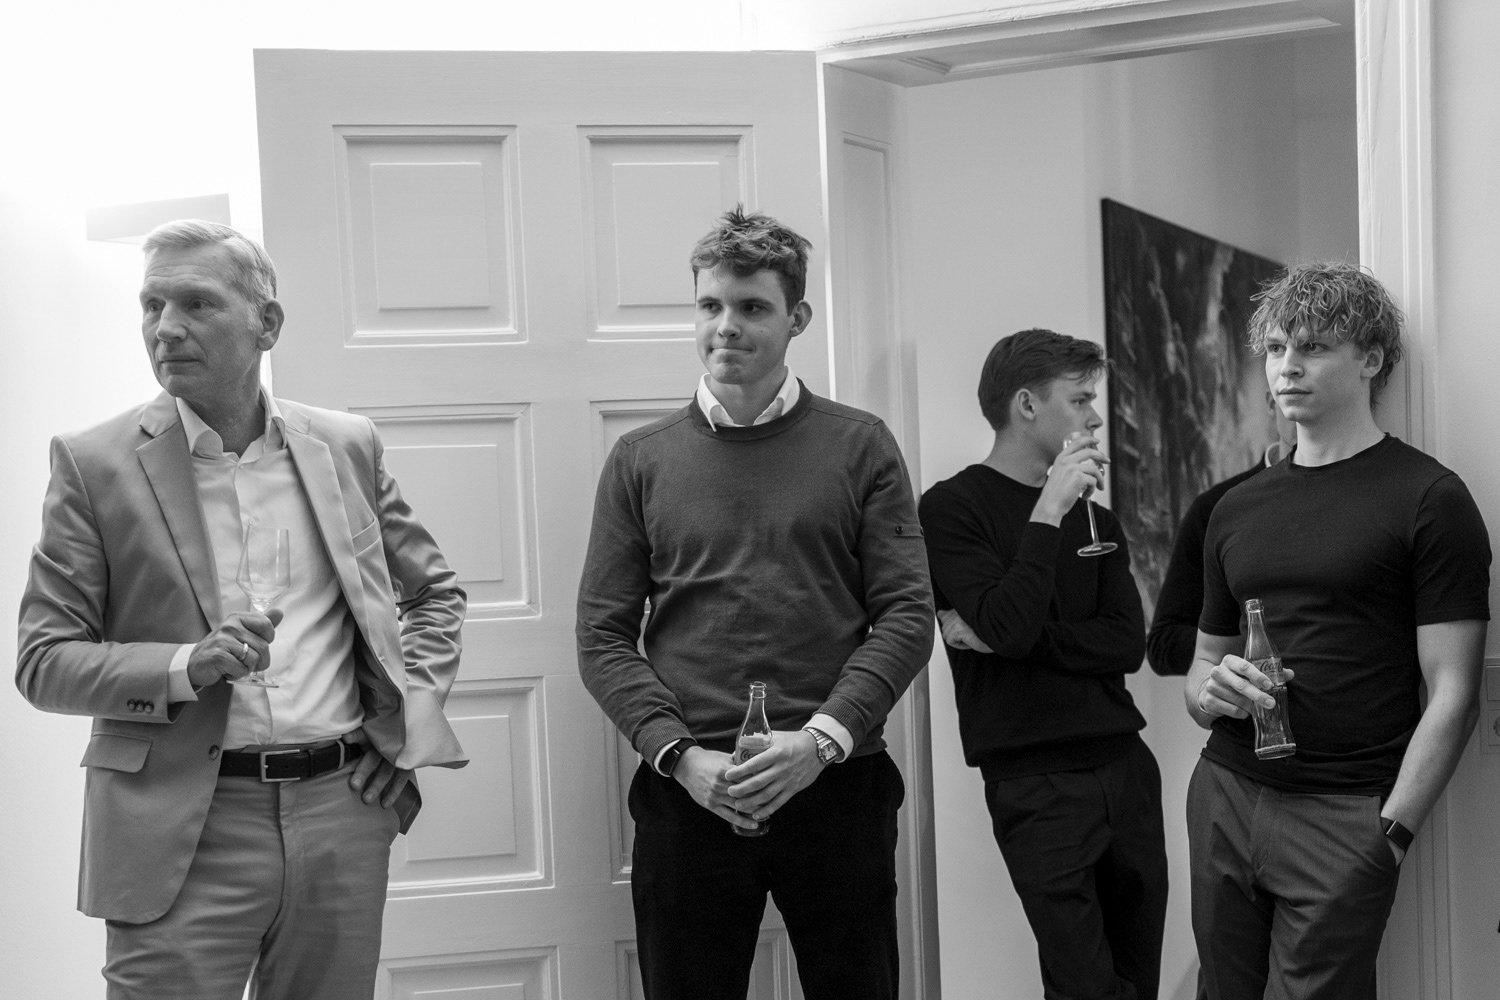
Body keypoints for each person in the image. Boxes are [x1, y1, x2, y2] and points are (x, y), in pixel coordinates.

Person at [16, 220, 468, 1000]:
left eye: (196, 303)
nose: (166, 327)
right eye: (152, 305)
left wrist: (403, 728)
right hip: (179, 826)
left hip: (341, 811)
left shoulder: (345, 445)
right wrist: (185, 666)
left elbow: (432, 594)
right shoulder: (92, 464)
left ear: (268, 323)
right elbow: (43, 661)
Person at [576, 207, 933, 1000]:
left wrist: (819, 743)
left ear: (796, 317)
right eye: (710, 305)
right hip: (689, 792)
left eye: (751, 307)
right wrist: (680, 757)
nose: (726, 326)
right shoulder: (639, 460)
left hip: (838, 784)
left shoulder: (861, 445)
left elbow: (908, 616)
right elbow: (601, 635)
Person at [1185, 261, 1490, 999]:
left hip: (1345, 811)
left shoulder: (1429, 497)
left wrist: (1391, 834)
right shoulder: (1233, 507)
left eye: (1313, 347)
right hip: (1226, 791)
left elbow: (1454, 692)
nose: (1287, 367)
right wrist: (1210, 693)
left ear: (1371, 360)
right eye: (1276, 348)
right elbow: (1200, 667)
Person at [919, 328, 1168, 1000]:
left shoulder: (1098, 521)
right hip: (1035, 783)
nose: (1095, 418)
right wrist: (1049, 508)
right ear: (1027, 405)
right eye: (1080, 400)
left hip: (1126, 769)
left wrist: (1015, 641)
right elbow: (1009, 622)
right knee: (1085, 986)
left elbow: (1125, 644)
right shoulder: (950, 508)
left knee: (1137, 980)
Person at [1145, 393, 1294, 676]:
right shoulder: (1216, 507)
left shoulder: (1367, 496)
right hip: (1251, 697)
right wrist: (1252, 643)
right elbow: (1163, 644)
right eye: (1290, 395)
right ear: (1271, 402)